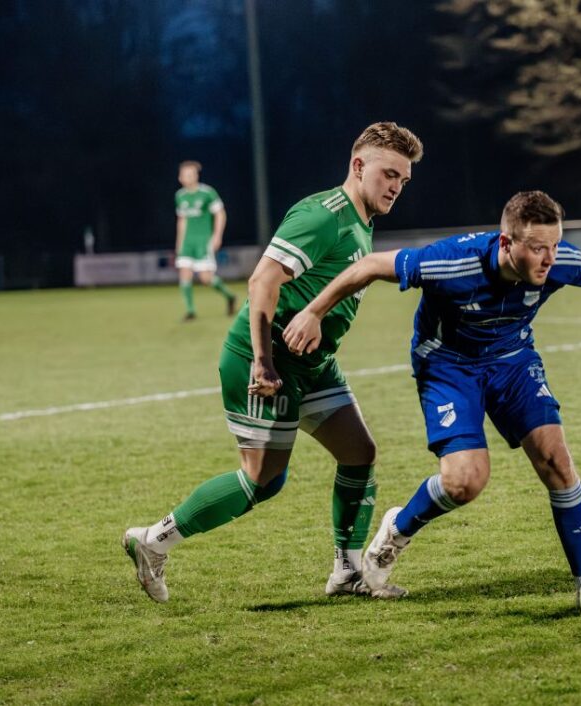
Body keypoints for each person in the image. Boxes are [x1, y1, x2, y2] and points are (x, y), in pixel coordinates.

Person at [283, 190, 581, 597]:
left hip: (513, 361)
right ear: (507, 243)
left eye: (555, 245)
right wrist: (313, 312)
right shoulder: (451, 262)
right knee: (464, 482)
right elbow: (369, 266)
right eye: (538, 248)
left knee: (556, 462)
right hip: (448, 366)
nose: (550, 258)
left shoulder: (558, 260)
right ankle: (397, 531)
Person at [123, 123, 424, 602]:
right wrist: (263, 362)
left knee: (358, 453)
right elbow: (263, 280)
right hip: (267, 358)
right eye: (389, 174)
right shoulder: (323, 215)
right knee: (261, 480)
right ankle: (152, 541)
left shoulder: (360, 221)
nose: (396, 187)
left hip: (312, 362)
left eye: (403, 180)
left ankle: (346, 574)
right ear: (358, 165)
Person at [174, 161, 238, 319]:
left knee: (205, 278)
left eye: (191, 174)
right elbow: (182, 220)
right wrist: (179, 243)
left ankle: (230, 296)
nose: (188, 177)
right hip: (187, 242)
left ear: (196, 176)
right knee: (184, 273)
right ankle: (190, 311)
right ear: (180, 178)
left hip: (203, 241)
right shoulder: (180, 196)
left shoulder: (208, 193)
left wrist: (217, 235)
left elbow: (220, 213)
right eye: (185, 174)